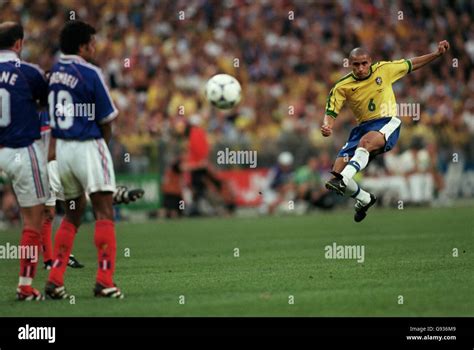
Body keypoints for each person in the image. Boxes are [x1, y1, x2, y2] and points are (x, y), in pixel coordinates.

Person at [322, 41, 450, 222]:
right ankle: (365, 199)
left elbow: (412, 63)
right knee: (335, 175)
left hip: (386, 122)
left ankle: (344, 178)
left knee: (364, 146)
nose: (360, 68)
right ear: (350, 65)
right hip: (361, 129)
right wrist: (327, 125)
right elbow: (331, 111)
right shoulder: (342, 86)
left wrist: (436, 54)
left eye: (364, 63)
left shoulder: (384, 69)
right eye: (356, 64)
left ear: (370, 62)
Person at [45, 21, 123, 299]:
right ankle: (104, 280)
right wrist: (102, 151)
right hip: (87, 146)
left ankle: (55, 278)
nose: (95, 47)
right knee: (104, 211)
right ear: (82, 46)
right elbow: (107, 119)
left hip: (63, 151)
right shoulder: (90, 72)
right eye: (91, 43)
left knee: (72, 215)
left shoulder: (53, 73)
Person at [0, 22, 49, 300]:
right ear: (18, 44)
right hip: (21, 150)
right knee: (32, 221)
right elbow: (44, 102)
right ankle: (25, 285)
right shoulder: (28, 72)